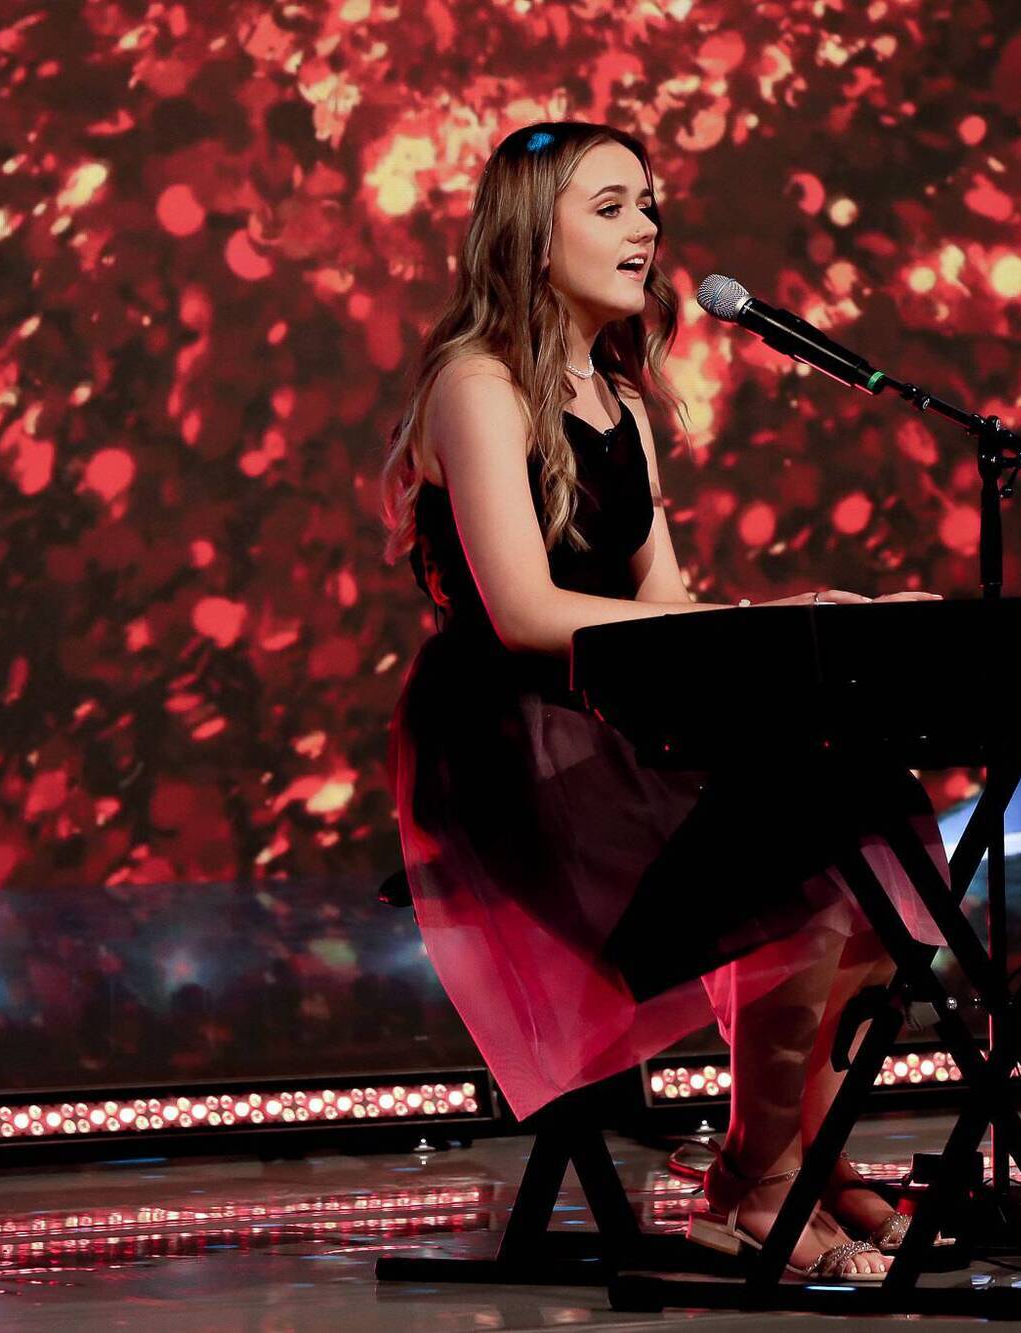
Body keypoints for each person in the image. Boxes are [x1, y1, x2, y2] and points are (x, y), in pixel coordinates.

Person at [379, 121, 948, 1282]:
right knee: (795, 861)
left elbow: (669, 611)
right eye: (610, 207)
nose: (644, 228)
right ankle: (758, 1182)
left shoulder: (624, 406)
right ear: (532, 236)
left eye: (648, 205)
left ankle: (795, 1159)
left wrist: (803, 621)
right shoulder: (475, 385)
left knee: (860, 812)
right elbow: (524, 614)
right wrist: (761, 625)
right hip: (516, 741)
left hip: (624, 721)